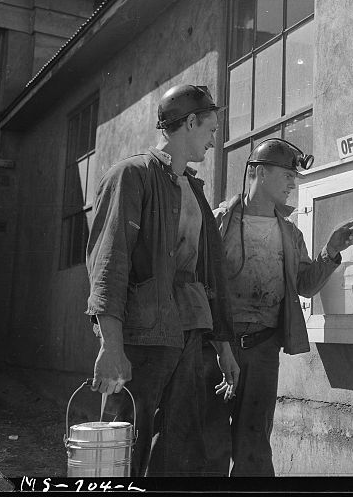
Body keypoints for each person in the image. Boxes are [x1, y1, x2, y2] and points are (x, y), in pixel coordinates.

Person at [84, 84, 239, 477]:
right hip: (140, 336)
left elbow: (210, 274)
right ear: (190, 123)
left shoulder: (195, 190)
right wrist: (111, 345)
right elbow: (109, 264)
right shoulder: (131, 175)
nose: (214, 140)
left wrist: (223, 346)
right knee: (123, 444)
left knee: (181, 446)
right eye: (210, 129)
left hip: (187, 332)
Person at [202, 138, 353, 476]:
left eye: (294, 177)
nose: (293, 183)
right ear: (259, 172)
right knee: (208, 441)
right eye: (287, 175)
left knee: (255, 444)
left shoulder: (289, 233)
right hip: (214, 348)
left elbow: (305, 284)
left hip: (262, 351)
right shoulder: (217, 222)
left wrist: (330, 252)